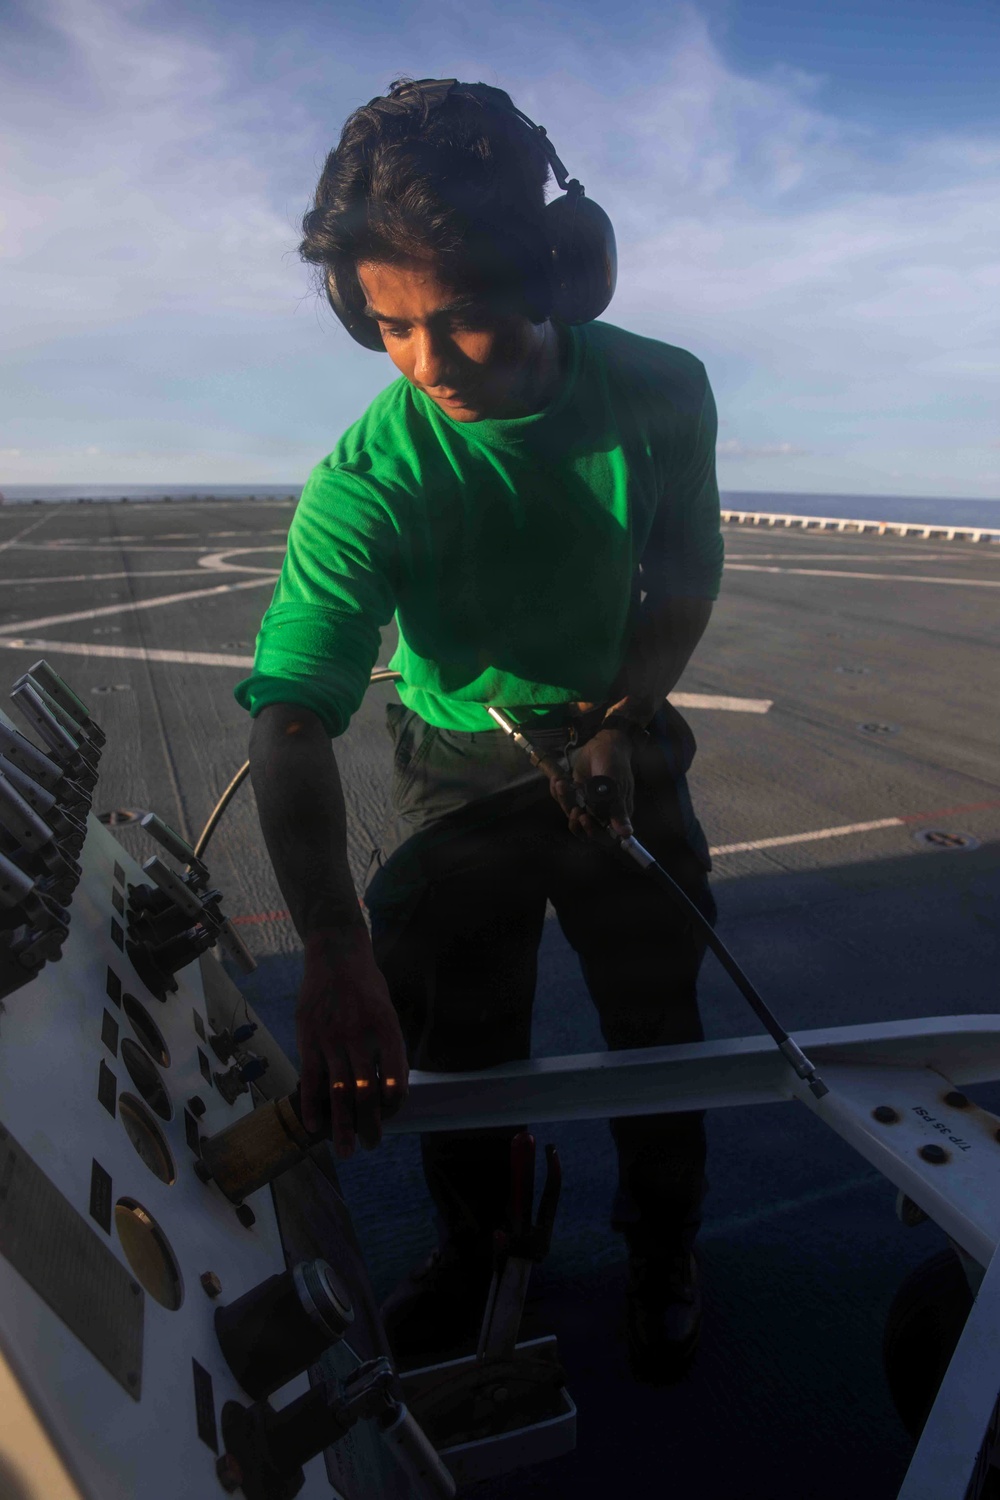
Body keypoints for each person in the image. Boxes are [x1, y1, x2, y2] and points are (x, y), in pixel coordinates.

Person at [236, 77, 724, 1385]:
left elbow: (681, 585)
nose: (429, 367)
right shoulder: (367, 478)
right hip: (463, 765)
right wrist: (334, 950)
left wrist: (625, 719)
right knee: (463, 1056)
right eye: (388, 329)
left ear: (561, 277)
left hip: (629, 742)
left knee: (662, 1032)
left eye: (464, 323)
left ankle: (662, 1239)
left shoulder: (666, 393)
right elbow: (290, 718)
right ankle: (485, 1242)